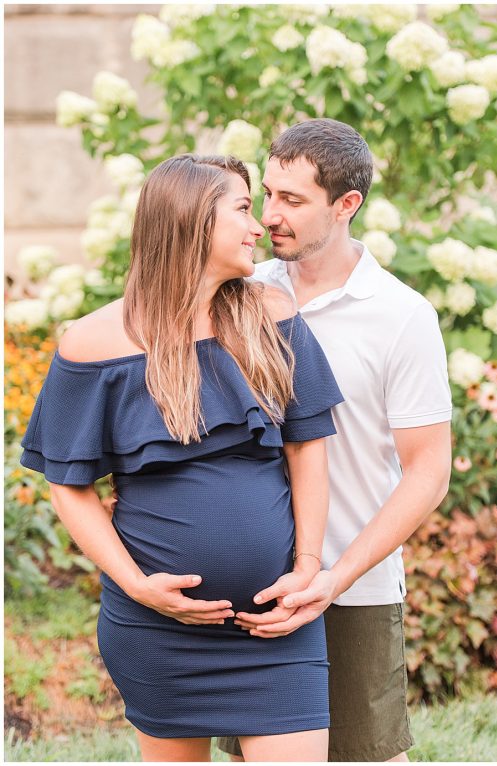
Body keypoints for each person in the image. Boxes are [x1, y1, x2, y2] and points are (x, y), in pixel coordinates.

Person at [19, 154, 341, 762]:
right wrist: (138, 586)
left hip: (276, 627)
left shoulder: (272, 316)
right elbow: (69, 485)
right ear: (192, 221)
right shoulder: (92, 343)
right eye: (243, 209)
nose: (259, 227)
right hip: (160, 633)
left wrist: (306, 566)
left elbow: (307, 445)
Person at [218, 119, 453, 762]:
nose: (269, 217)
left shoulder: (401, 316)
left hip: (353, 587)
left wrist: (333, 576)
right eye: (266, 194)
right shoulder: (239, 294)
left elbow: (428, 471)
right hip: (254, 582)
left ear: (347, 204)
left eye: (292, 201)